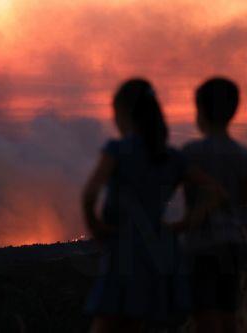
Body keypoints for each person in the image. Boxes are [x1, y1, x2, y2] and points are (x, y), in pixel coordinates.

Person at [82, 79, 224, 332]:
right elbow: (214, 190)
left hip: (123, 253)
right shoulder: (172, 158)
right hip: (162, 254)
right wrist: (184, 224)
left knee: (106, 324)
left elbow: (90, 193)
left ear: (124, 113)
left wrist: (97, 228)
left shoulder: (116, 150)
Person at [181, 77, 247, 333]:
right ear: (233, 112)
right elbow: (243, 200)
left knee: (204, 315)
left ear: (200, 111)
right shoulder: (242, 153)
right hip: (233, 244)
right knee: (228, 311)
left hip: (202, 245)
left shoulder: (191, 152)